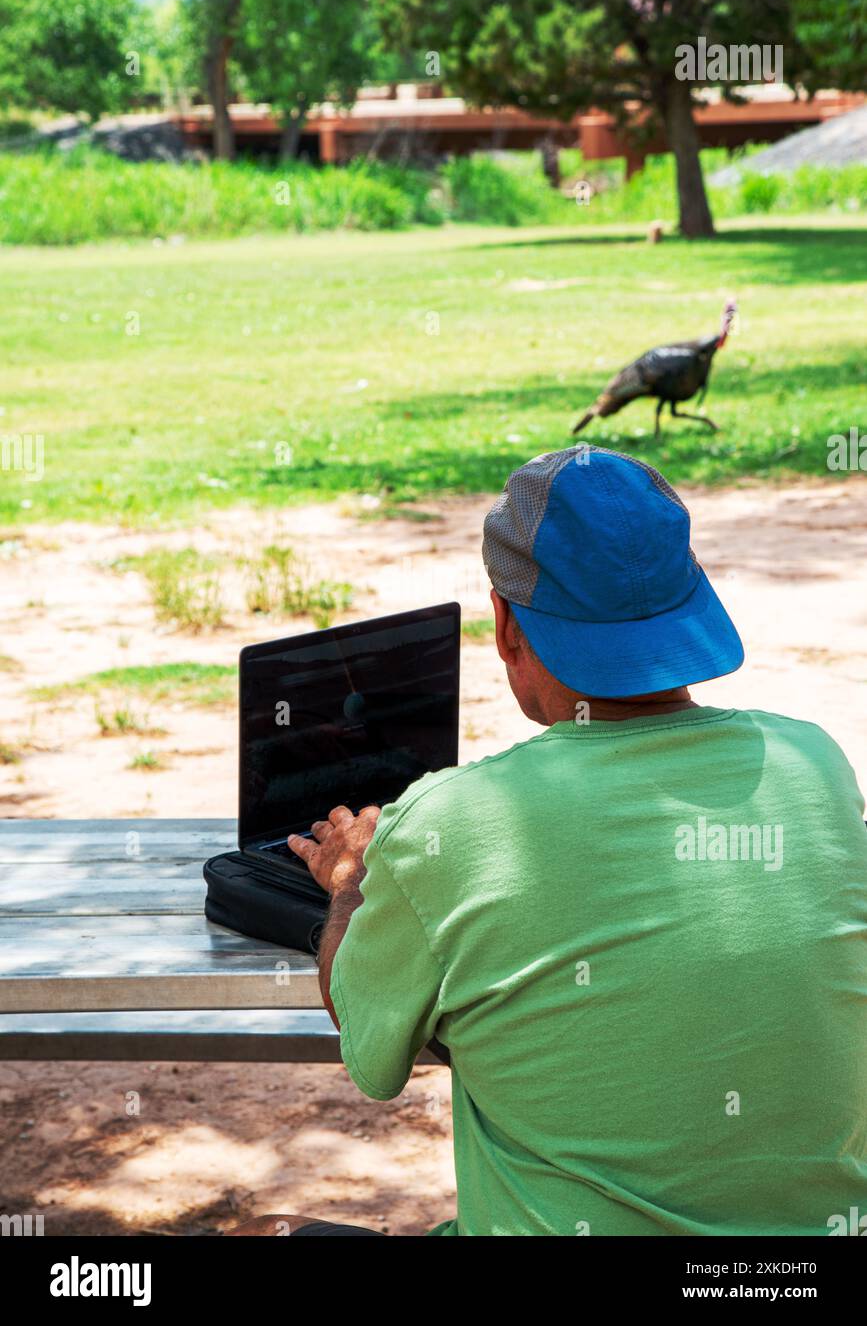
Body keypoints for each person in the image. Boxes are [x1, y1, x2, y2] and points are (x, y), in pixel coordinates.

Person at [230, 446, 867, 1237]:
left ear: (504, 624)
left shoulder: (449, 824)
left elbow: (371, 1051)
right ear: (691, 605)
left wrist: (351, 882)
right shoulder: (813, 765)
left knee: (271, 1231)